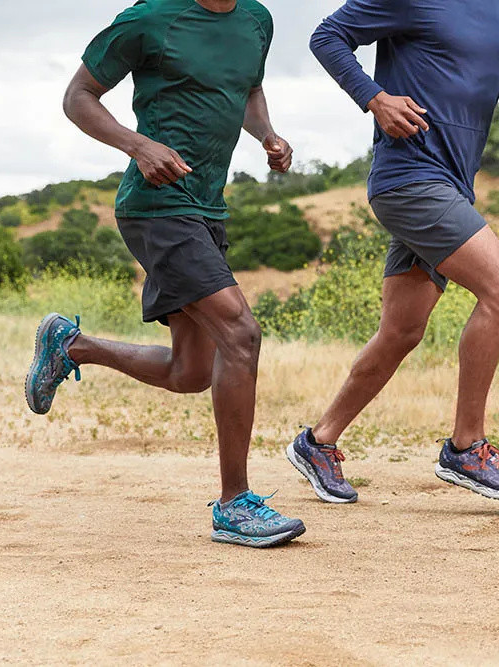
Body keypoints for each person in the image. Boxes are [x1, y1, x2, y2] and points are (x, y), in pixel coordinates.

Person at [25, 0, 306, 548]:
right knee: (241, 334)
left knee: (190, 373)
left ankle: (72, 345)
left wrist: (267, 133)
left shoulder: (256, 20)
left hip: (208, 209)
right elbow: (77, 96)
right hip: (156, 206)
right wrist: (138, 144)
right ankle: (234, 505)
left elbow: (247, 88)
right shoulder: (150, 18)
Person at [287, 0, 499, 503]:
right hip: (409, 179)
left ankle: (318, 441)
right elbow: (327, 37)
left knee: (400, 332)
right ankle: (466, 447)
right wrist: (375, 99)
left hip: (453, 185)